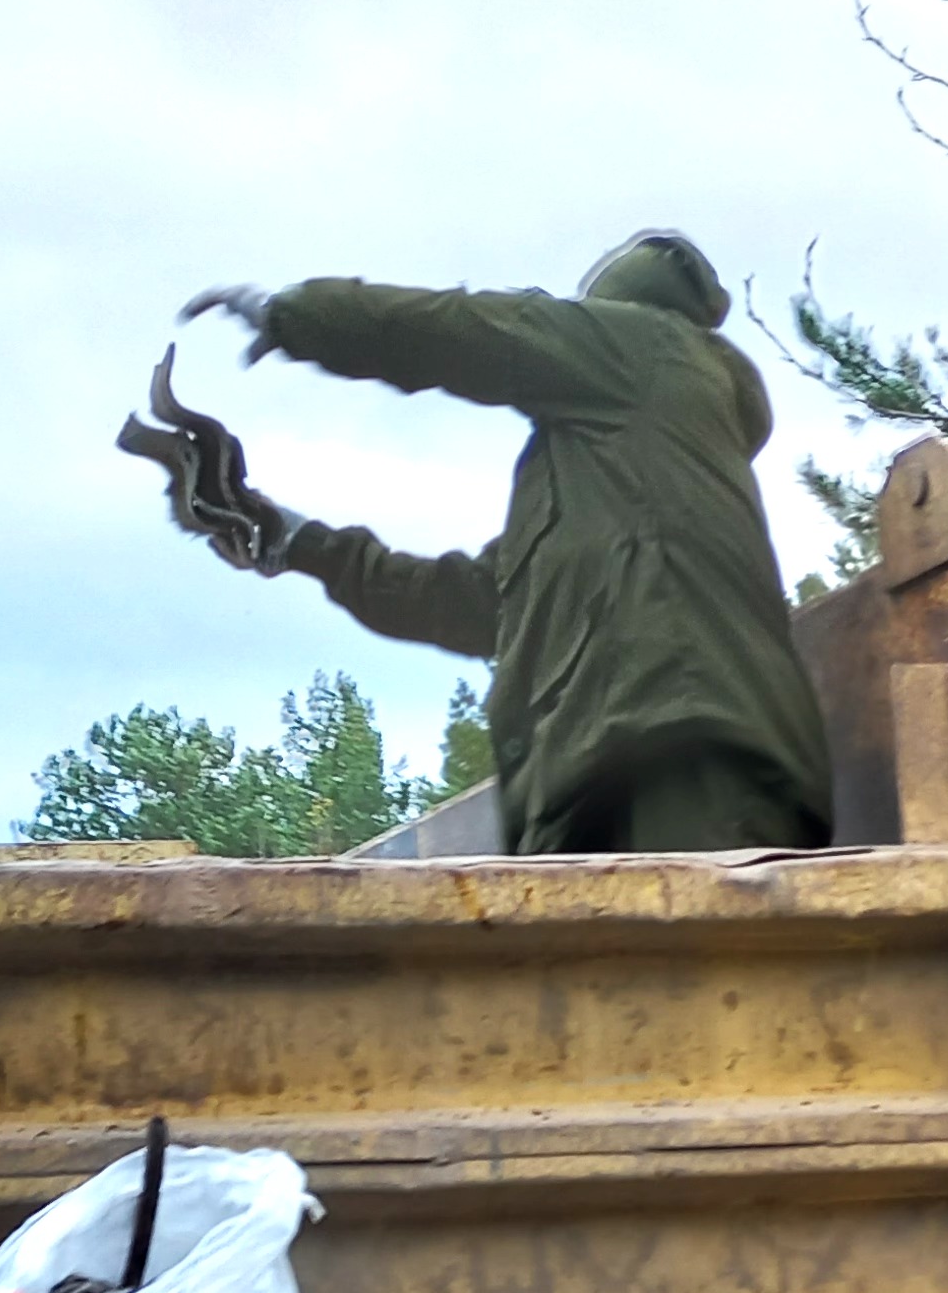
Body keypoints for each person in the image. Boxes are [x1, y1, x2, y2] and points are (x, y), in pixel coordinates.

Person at [154, 234, 835, 856]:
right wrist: (289, 538)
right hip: (591, 802)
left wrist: (299, 317)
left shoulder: (655, 350)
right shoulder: (603, 488)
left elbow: (485, 333)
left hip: (687, 769)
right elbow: (470, 604)